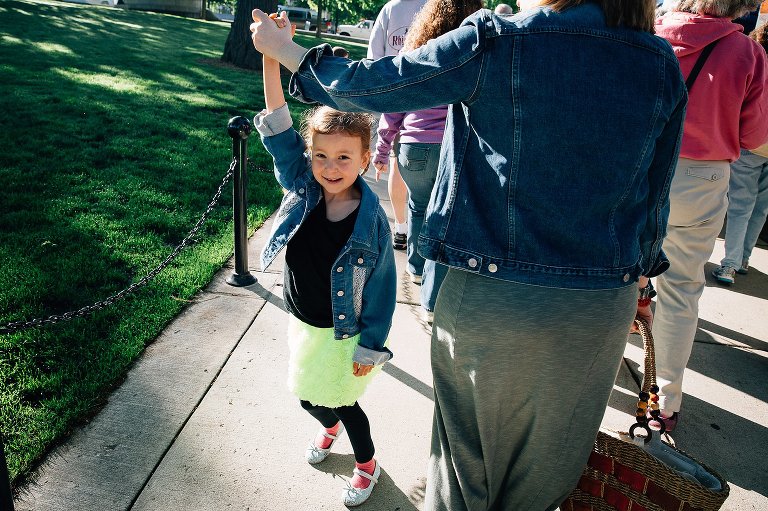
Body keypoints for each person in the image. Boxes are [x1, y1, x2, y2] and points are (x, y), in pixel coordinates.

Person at [251, 1, 686, 508]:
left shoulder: (497, 38)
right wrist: (640, 278)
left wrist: (284, 50)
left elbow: (370, 85)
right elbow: (656, 194)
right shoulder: (658, 60)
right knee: (547, 468)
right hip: (599, 302)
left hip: (491, 293)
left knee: (463, 464)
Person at [255, 26, 397, 506]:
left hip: (344, 334)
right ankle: (328, 428)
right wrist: (271, 55)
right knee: (306, 396)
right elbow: (276, 123)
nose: (330, 166)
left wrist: (370, 348)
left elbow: (381, 291)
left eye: (342, 157)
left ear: (364, 158)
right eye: (321, 155)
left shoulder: (370, 223)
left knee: (341, 400)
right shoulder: (303, 186)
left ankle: (366, 465)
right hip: (304, 321)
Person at [652, 0, 768, 431]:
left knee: (622, 278)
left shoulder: (654, 33)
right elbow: (755, 134)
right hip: (703, 177)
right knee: (681, 288)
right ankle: (663, 401)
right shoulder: (748, 54)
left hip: (643, 166)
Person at [373, 0, 483, 324]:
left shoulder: (416, 53)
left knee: (419, 208)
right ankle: (433, 300)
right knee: (443, 220)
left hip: (414, 148)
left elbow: (394, 105)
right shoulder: (475, 54)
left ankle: (416, 268)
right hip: (453, 148)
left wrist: (381, 151)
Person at [368, 0, 429, 251]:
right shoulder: (443, 4)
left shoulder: (392, 8)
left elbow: (374, 56)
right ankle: (418, 230)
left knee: (396, 161)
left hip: (394, 93)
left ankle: (402, 226)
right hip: (433, 95)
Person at [712, 21, 768, 284]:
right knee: (761, 207)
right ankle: (744, 258)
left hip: (753, 143)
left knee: (740, 205)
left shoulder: (756, 59)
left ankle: (730, 265)